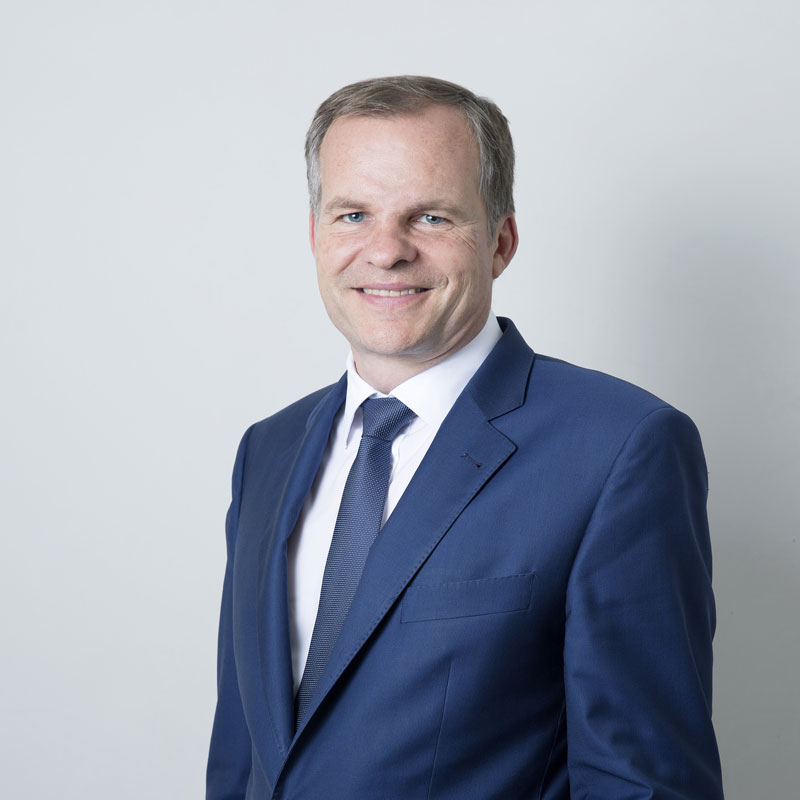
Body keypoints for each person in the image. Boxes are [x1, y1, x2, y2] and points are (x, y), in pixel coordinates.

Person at [206, 76, 723, 799]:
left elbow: (643, 784)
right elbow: (242, 759)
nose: (386, 251)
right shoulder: (267, 451)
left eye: (430, 217)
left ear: (500, 242)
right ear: (317, 236)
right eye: (353, 215)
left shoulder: (618, 450)